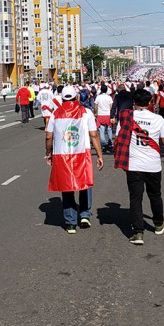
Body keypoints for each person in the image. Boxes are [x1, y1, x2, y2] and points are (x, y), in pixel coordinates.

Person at [114, 88, 164, 245]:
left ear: (134, 102)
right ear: (150, 102)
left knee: (135, 198)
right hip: (153, 165)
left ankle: (138, 232)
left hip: (133, 165)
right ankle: (158, 224)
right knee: (155, 195)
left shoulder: (125, 117)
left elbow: (118, 139)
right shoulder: (158, 119)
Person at [45, 85, 103, 233]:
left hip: (62, 155)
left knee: (67, 186)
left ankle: (70, 222)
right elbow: (94, 134)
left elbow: (49, 136)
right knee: (85, 183)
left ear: (62, 98)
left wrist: (48, 153)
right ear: (76, 97)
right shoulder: (86, 112)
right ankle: (84, 215)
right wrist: (99, 154)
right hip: (82, 153)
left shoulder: (55, 114)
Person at [94, 84, 114, 152]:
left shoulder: (98, 97)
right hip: (108, 114)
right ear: (107, 90)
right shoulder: (109, 97)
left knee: (101, 130)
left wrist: (95, 113)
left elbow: (95, 106)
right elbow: (111, 106)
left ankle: (104, 144)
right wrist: (112, 114)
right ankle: (110, 143)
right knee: (109, 129)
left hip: (100, 115)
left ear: (100, 90)